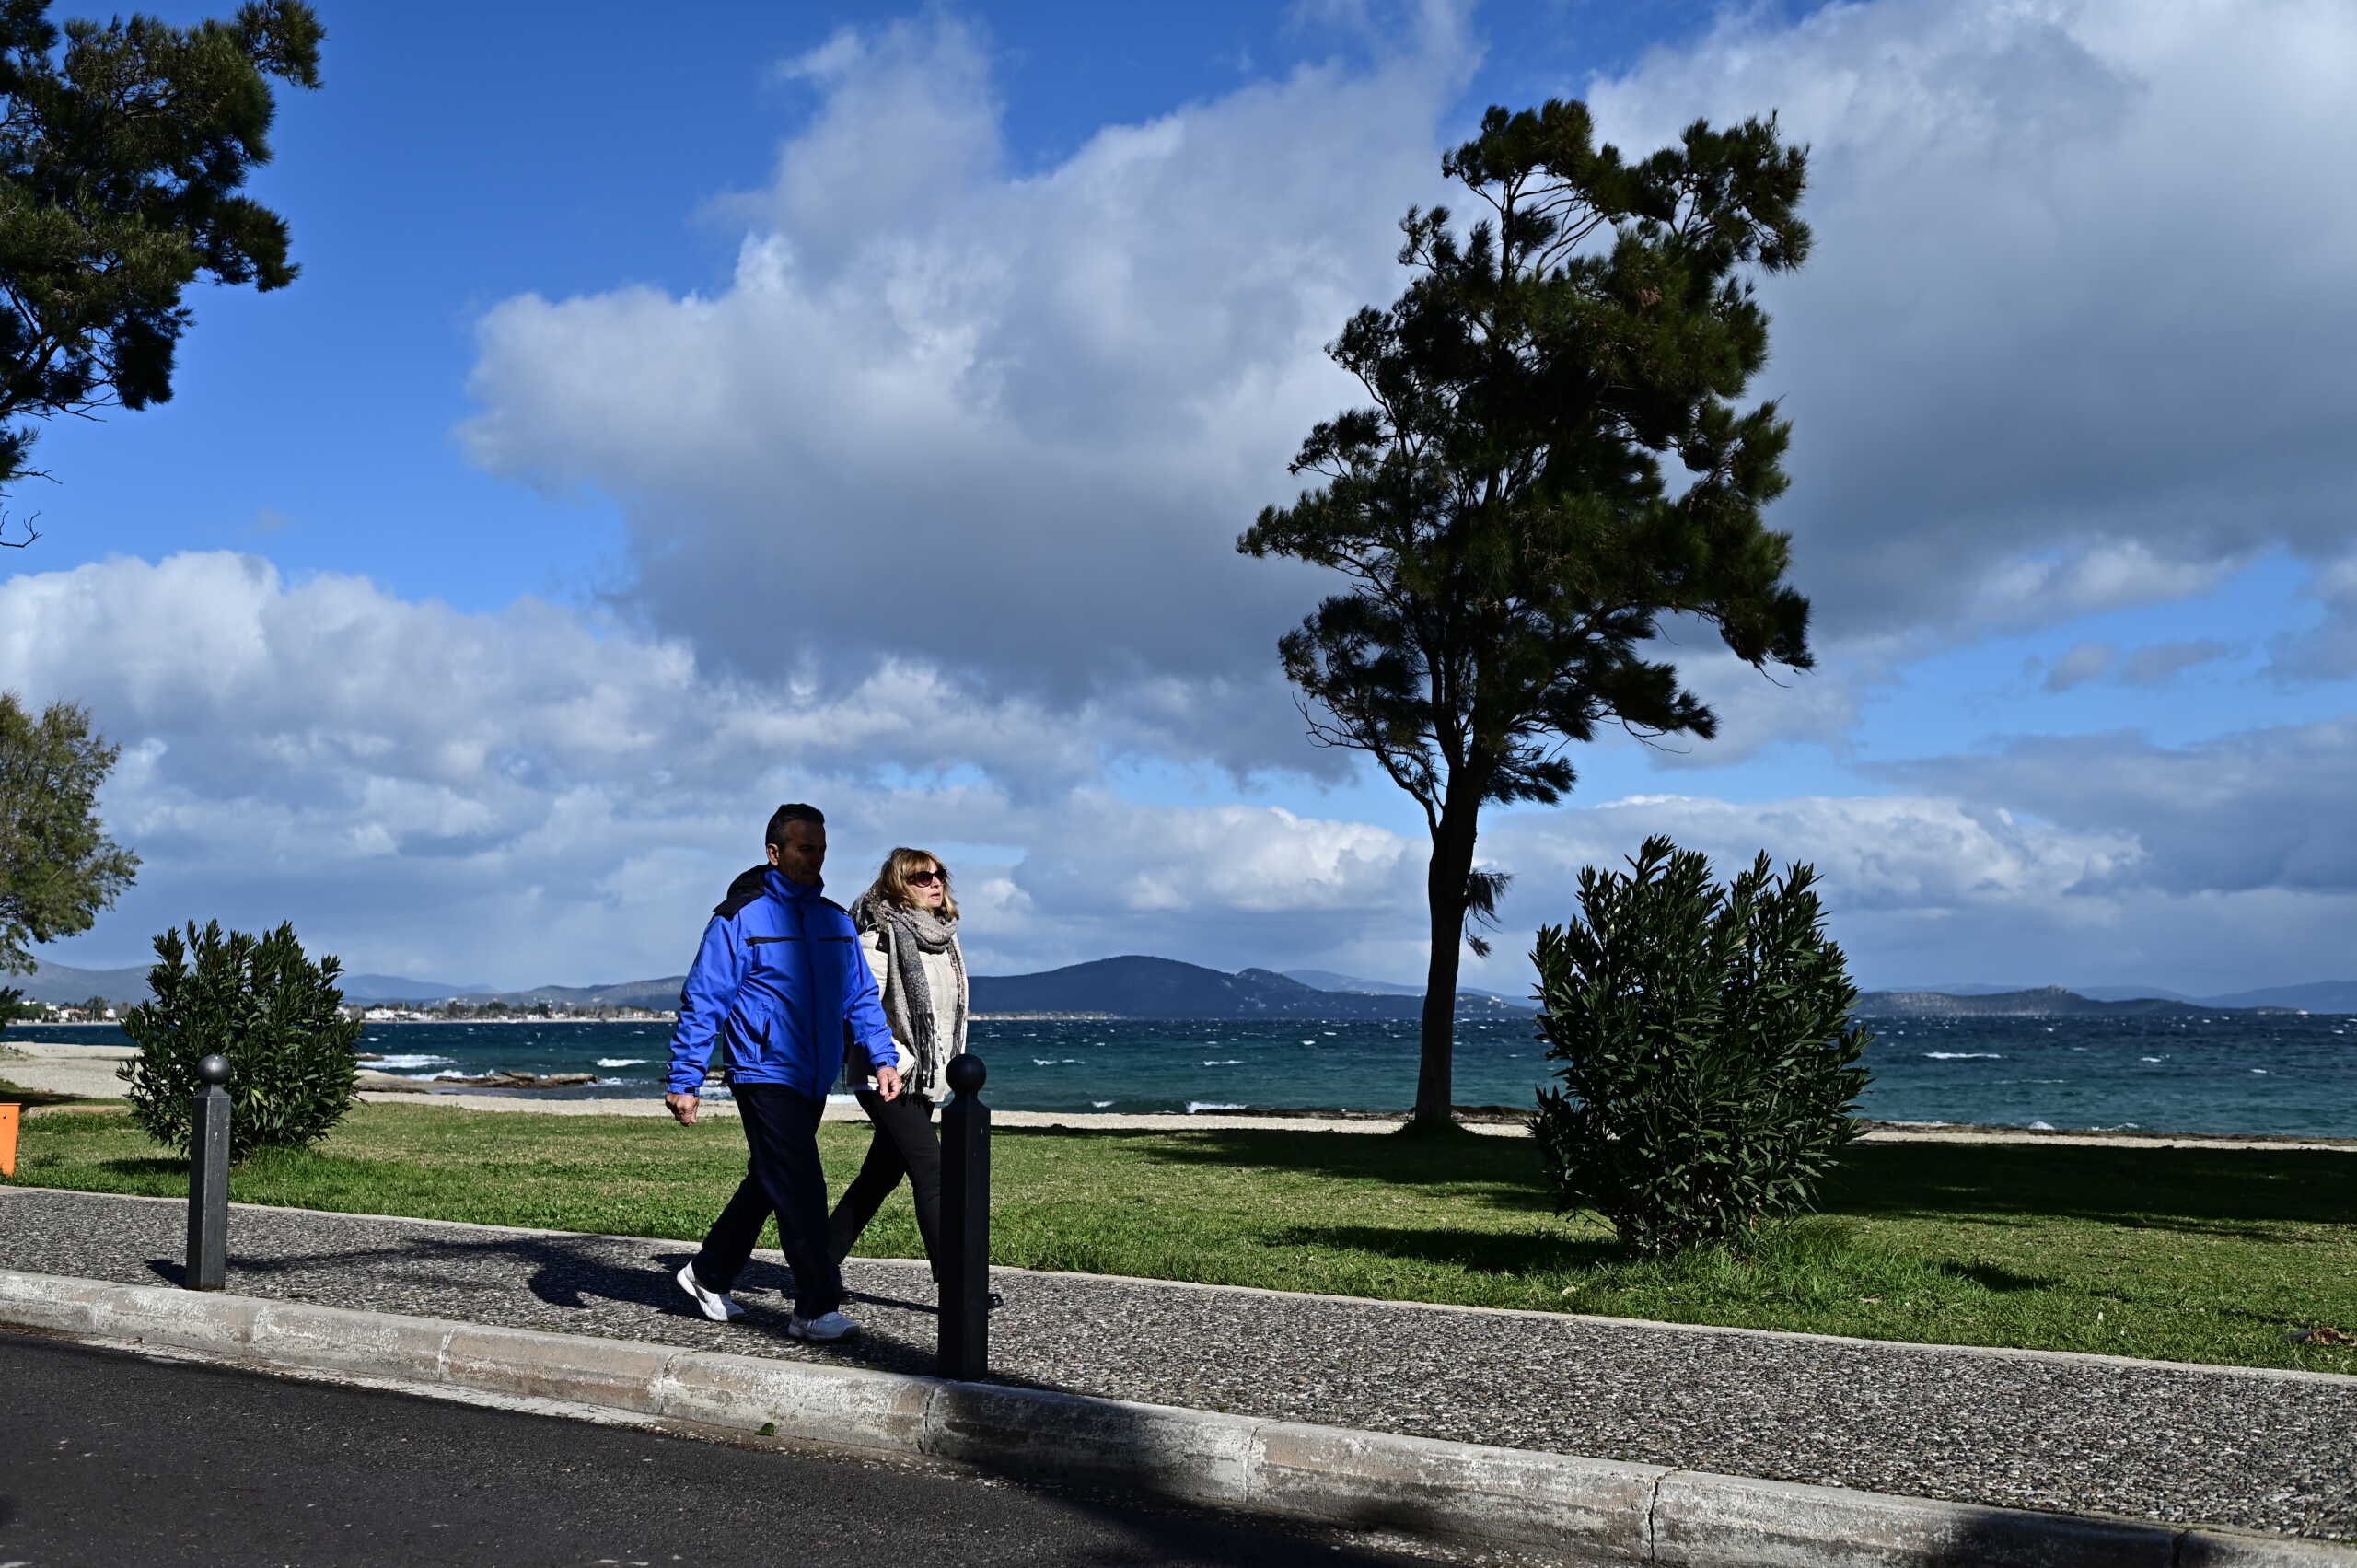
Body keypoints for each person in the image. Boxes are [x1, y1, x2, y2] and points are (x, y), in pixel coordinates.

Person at [663, 802, 899, 1342]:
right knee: (801, 1183)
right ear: (774, 853)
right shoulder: (738, 918)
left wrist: (882, 1056)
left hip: (814, 1074)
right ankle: (814, 1307)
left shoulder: (835, 921)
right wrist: (685, 1079)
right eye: (804, 848)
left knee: (770, 1178)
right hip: (760, 1069)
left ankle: (708, 1272)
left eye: (821, 848)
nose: (815, 858)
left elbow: (860, 995)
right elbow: (705, 1000)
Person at [827, 847, 969, 1278]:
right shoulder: (878, 934)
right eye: (922, 877)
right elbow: (861, 1004)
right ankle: (957, 1287)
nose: (935, 882)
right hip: (886, 1073)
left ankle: (816, 1264)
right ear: (898, 884)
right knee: (934, 1172)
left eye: (939, 874)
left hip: (922, 1075)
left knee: (878, 1178)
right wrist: (899, 1060)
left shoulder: (945, 936)